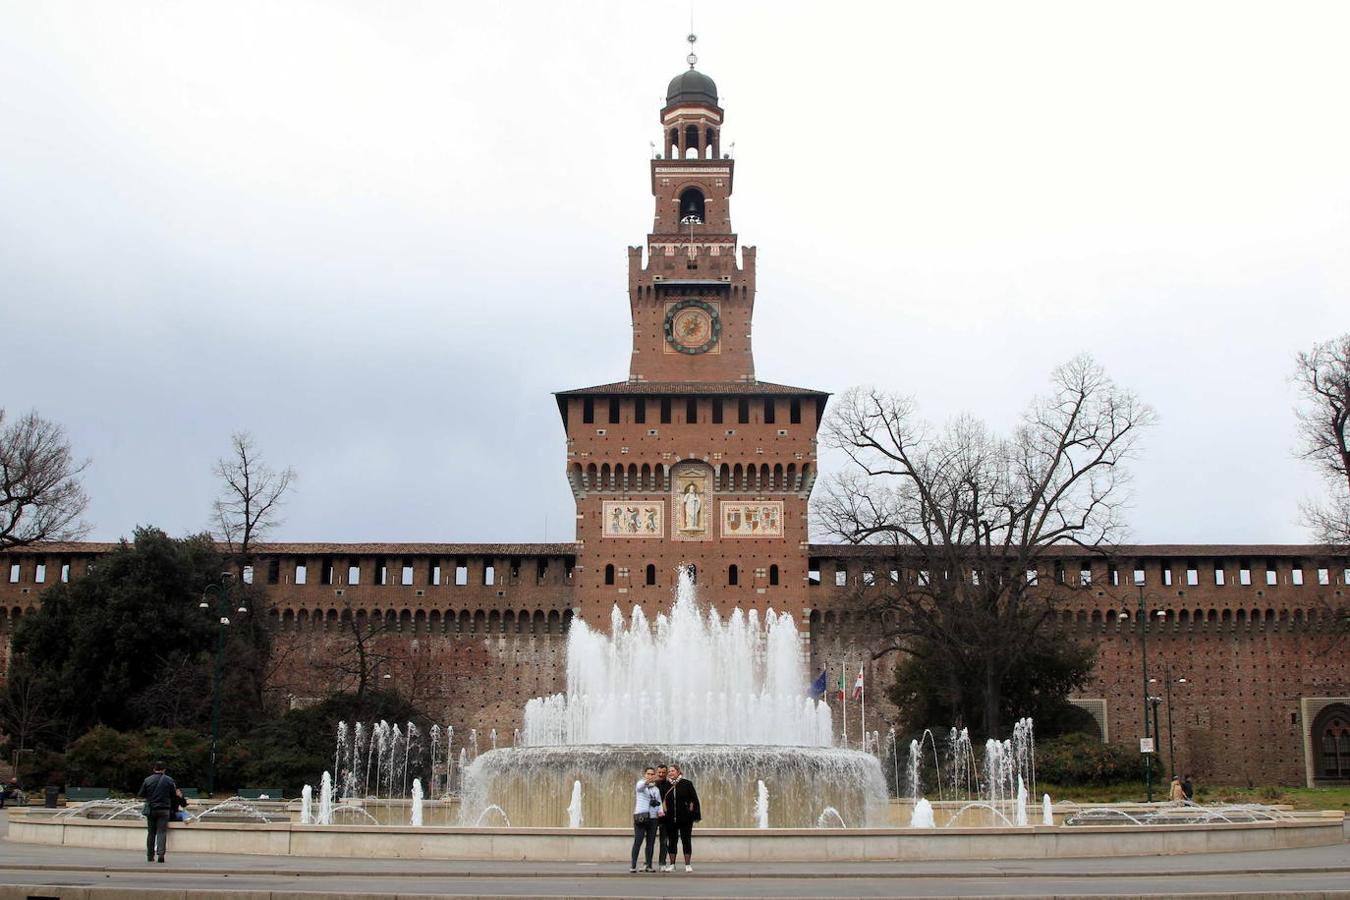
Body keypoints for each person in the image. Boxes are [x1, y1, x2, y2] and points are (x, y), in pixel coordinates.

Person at [662, 763, 701, 872]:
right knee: (672, 841)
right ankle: (672, 865)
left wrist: (695, 815)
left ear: (679, 772)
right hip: (670, 819)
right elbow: (661, 801)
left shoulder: (687, 784)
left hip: (685, 819)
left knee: (686, 840)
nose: (670, 773)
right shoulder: (666, 785)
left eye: (673, 771)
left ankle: (687, 865)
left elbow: (694, 800)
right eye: (669, 771)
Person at [137, 761, 177, 863]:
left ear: (154, 769)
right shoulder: (169, 780)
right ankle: (161, 854)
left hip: (151, 809)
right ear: (164, 770)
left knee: (151, 833)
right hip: (164, 810)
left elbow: (141, 794)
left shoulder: (147, 780)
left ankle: (150, 856)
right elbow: (173, 795)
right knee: (162, 832)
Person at [629, 766, 661, 873]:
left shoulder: (656, 789)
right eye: (648, 774)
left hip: (653, 818)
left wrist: (660, 810)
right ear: (645, 775)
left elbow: (658, 802)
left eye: (652, 774)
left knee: (650, 843)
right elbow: (640, 787)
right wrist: (647, 782)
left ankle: (649, 865)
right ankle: (633, 865)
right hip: (641, 816)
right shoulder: (641, 784)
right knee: (638, 841)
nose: (650, 776)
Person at [653, 764, 673, 869]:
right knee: (650, 841)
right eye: (659, 772)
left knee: (664, 841)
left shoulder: (670, 784)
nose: (661, 774)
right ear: (656, 772)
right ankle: (648, 863)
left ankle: (662, 863)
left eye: (663, 773)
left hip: (665, 817)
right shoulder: (651, 785)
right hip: (653, 816)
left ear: (666, 773)